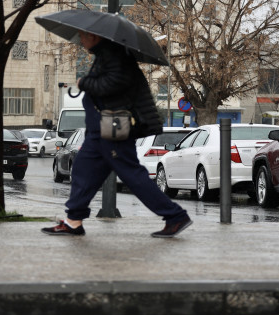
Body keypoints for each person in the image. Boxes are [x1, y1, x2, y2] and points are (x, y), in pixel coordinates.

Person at [42, 31, 192, 238]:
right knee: (82, 171)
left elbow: (112, 85)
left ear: (94, 36)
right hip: (100, 130)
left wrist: (84, 83)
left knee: (132, 175)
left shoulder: (115, 56)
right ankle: (73, 221)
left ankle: (175, 216)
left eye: (83, 36)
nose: (80, 40)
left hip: (112, 127)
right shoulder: (106, 55)